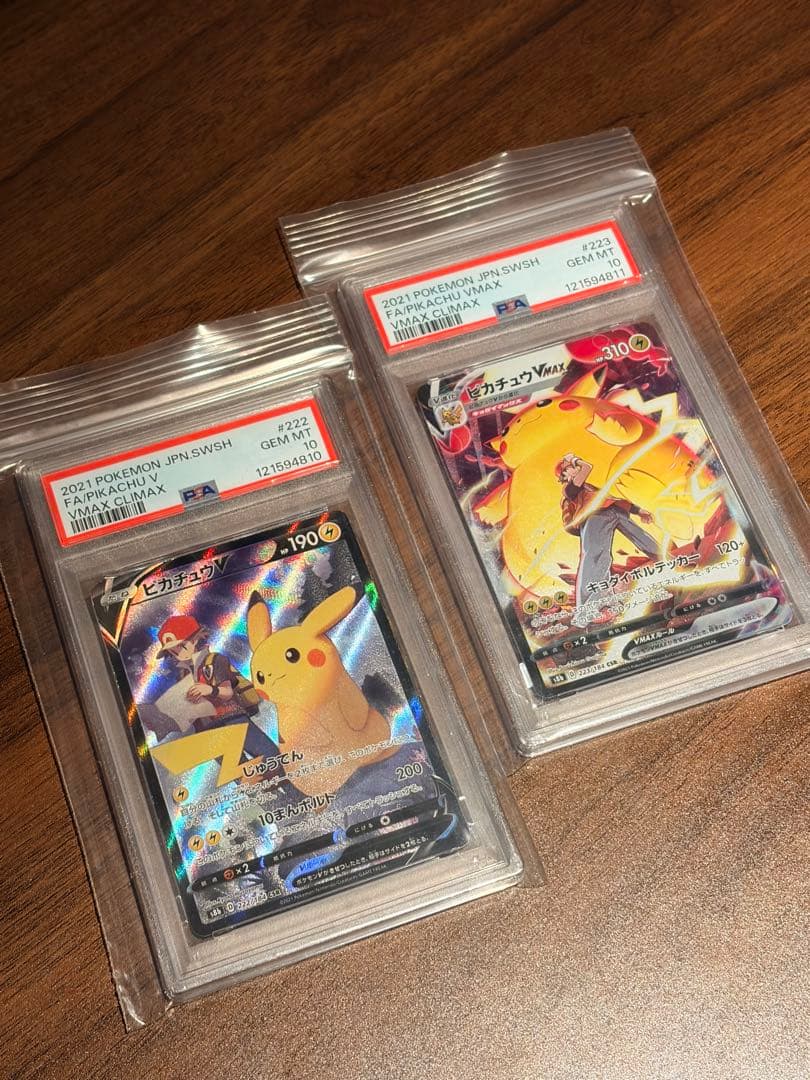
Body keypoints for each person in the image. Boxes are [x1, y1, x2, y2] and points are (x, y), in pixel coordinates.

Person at [156, 614, 276, 762]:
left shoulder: (214, 660)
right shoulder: (182, 675)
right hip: (208, 731)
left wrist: (211, 690)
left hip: (231, 719)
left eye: (181, 646)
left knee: (270, 756)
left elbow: (228, 693)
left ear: (195, 639)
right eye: (173, 651)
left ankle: (286, 777)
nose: (178, 653)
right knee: (238, 771)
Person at [556, 453, 658, 610]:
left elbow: (611, 499)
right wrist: (573, 459)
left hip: (614, 511)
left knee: (643, 538)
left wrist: (639, 511)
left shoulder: (589, 488)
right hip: (595, 517)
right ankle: (588, 607)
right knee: (596, 558)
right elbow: (587, 467)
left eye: (574, 466)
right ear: (564, 475)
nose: (576, 468)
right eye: (571, 468)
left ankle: (672, 560)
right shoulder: (569, 490)